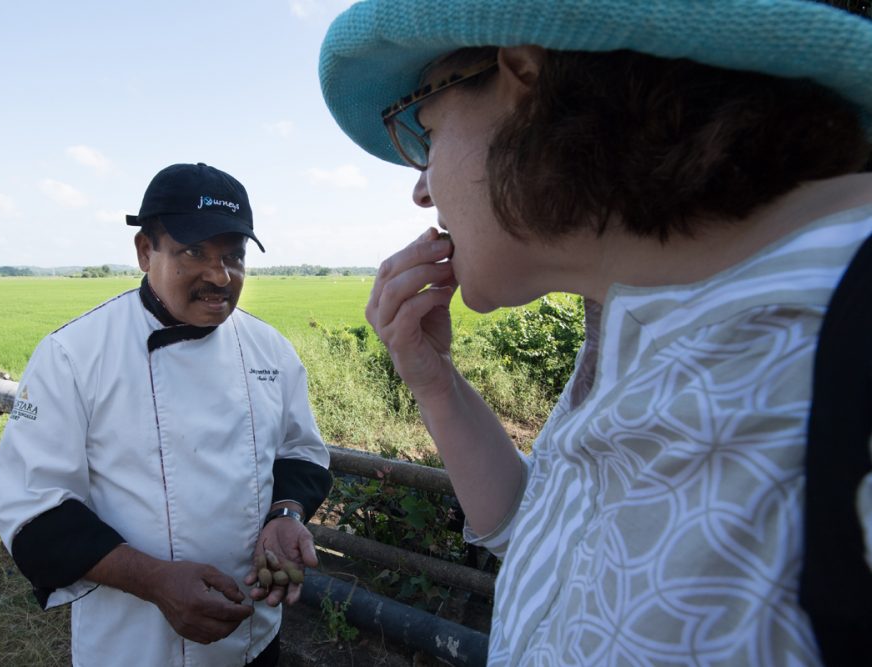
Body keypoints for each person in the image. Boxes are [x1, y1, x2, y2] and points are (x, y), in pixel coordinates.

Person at [319, 1, 872, 665]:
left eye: (425, 133)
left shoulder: (851, 329)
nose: (421, 191)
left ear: (523, 76)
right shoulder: (634, 321)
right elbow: (548, 537)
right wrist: (432, 381)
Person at [0, 162, 332, 666]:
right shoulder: (73, 355)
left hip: (253, 635)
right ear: (144, 251)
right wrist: (154, 580)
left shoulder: (271, 350)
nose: (219, 276)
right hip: (132, 643)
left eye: (233, 256)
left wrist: (286, 514)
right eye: (194, 252)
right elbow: (34, 512)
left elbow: (301, 452)